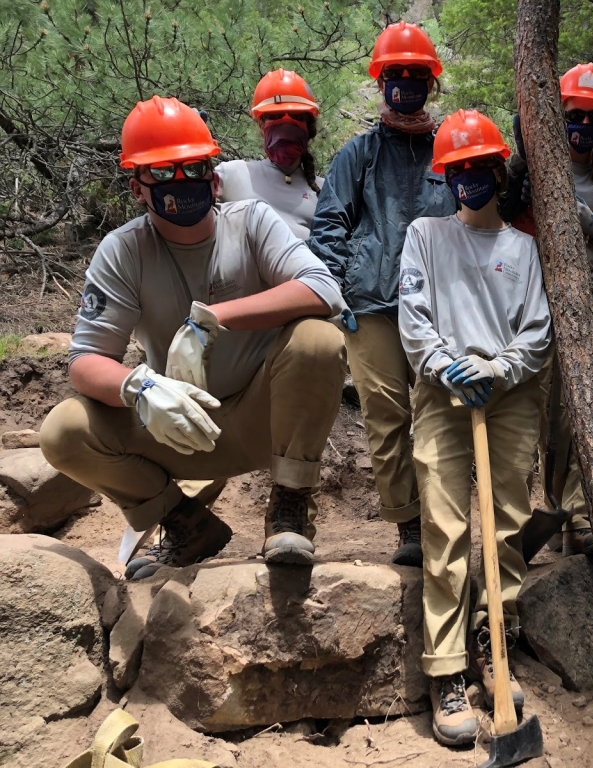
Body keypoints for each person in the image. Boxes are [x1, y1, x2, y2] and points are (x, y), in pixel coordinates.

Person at [38, 96, 349, 578]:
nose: (180, 183)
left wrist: (215, 316)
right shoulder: (124, 251)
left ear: (215, 176)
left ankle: (290, 506)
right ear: (136, 187)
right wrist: (138, 387)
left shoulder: (251, 222)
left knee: (318, 339)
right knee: (63, 431)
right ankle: (184, 523)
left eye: (193, 167)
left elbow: (323, 288)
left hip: (264, 418)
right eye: (162, 173)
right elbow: (85, 360)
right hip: (178, 424)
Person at [399, 109, 551, 747]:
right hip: (441, 393)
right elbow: (413, 311)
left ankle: (496, 642)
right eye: (456, 172)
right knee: (446, 525)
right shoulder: (426, 235)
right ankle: (446, 669)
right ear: (445, 178)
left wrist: (501, 367)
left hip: (509, 397)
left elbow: (538, 330)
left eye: (478, 170)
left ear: (498, 172)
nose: (468, 181)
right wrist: (442, 363)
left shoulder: (523, 247)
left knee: (506, 522)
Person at [309, 21, 457, 567]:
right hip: (371, 305)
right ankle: (409, 525)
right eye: (395, 75)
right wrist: (336, 295)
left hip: (443, 305)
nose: (405, 84)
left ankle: (447, 514)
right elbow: (328, 226)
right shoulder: (359, 154)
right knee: (386, 416)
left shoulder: (450, 148)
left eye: (415, 75)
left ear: (430, 83)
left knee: (441, 411)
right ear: (380, 82)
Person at [502, 62, 593, 554]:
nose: (583, 127)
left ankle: (581, 517)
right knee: (552, 418)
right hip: (545, 302)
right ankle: (558, 508)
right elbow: (509, 229)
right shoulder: (538, 169)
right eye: (574, 116)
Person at [217, 69, 324, 239]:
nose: (286, 123)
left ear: (308, 126)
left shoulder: (325, 192)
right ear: (261, 124)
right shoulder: (231, 175)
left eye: (296, 116)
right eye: (276, 115)